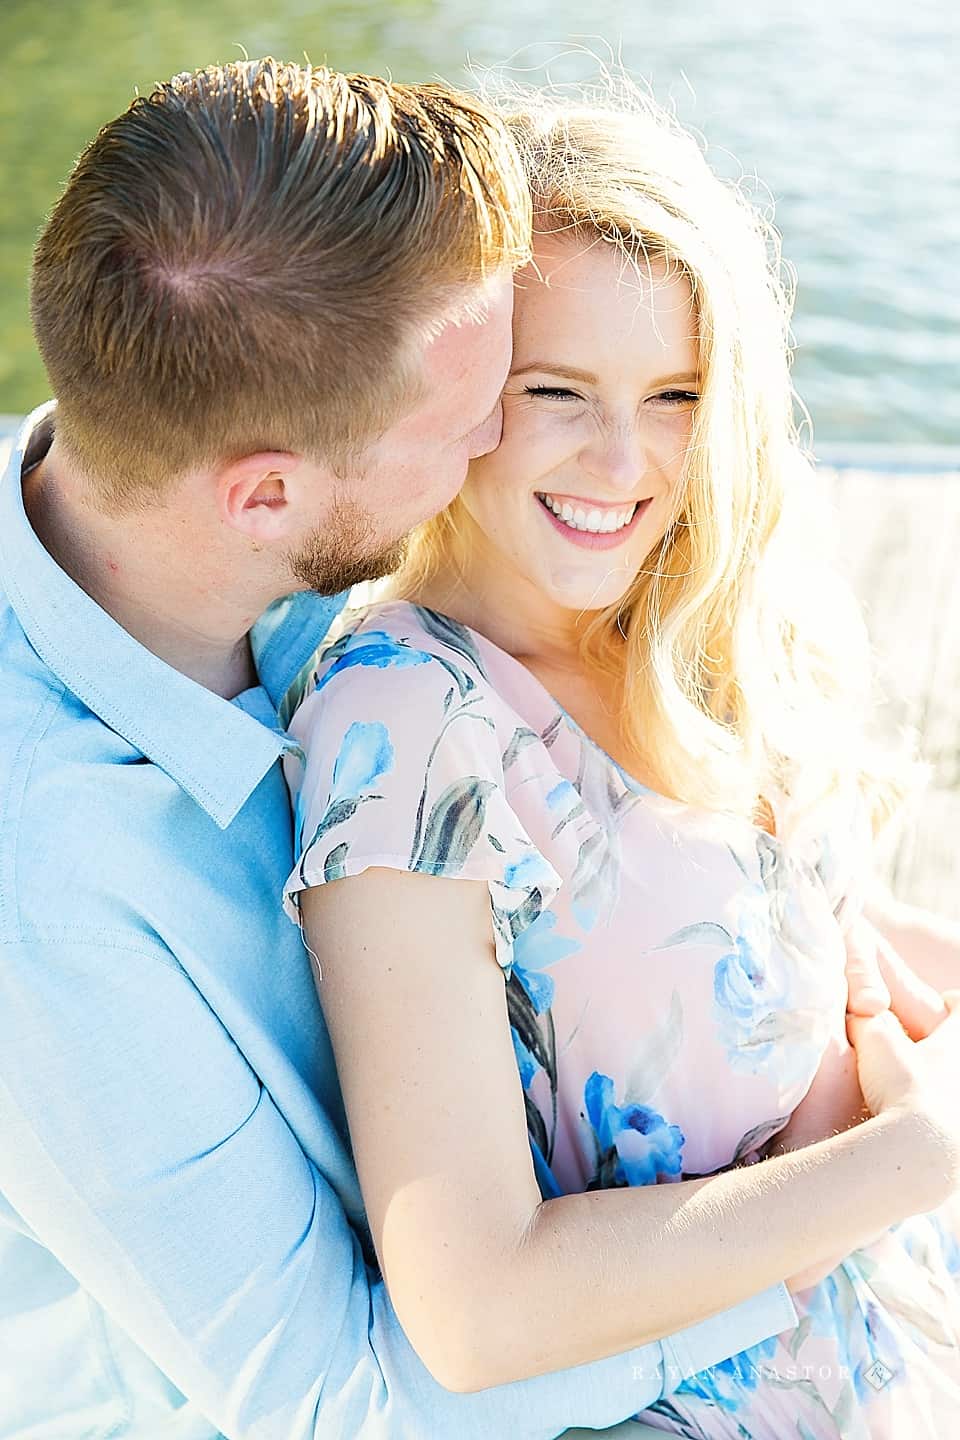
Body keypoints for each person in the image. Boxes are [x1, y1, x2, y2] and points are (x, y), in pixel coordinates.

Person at [0, 57, 838, 1440]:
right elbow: (337, 1400)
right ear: (265, 494)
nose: (500, 444)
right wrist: (819, 1223)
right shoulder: (51, 901)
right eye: (470, 422)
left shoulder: (164, 480)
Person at [283, 85, 960, 1435]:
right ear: (462, 387)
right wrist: (919, 1151)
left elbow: (819, 932)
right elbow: (473, 1311)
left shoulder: (687, 622)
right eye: (559, 392)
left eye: (674, 395)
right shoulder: (410, 726)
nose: (624, 459)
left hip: (903, 1337)